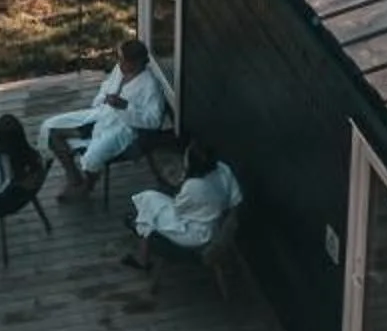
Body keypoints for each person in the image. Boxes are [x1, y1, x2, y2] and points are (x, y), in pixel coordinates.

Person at [38, 36, 175, 191]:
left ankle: (87, 187)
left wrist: (125, 107)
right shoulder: (120, 69)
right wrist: (102, 100)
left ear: (136, 63)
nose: (119, 63)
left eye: (123, 60)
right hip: (100, 113)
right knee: (49, 126)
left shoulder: (150, 86)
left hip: (123, 128)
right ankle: (74, 176)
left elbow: (153, 121)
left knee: (92, 158)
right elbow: (106, 86)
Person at [124, 138, 240, 272]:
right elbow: (235, 201)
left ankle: (142, 253)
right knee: (151, 202)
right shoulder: (224, 171)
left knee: (149, 202)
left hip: (195, 234)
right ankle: (142, 254)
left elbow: (179, 208)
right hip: (214, 225)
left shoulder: (194, 185)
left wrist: (179, 184)